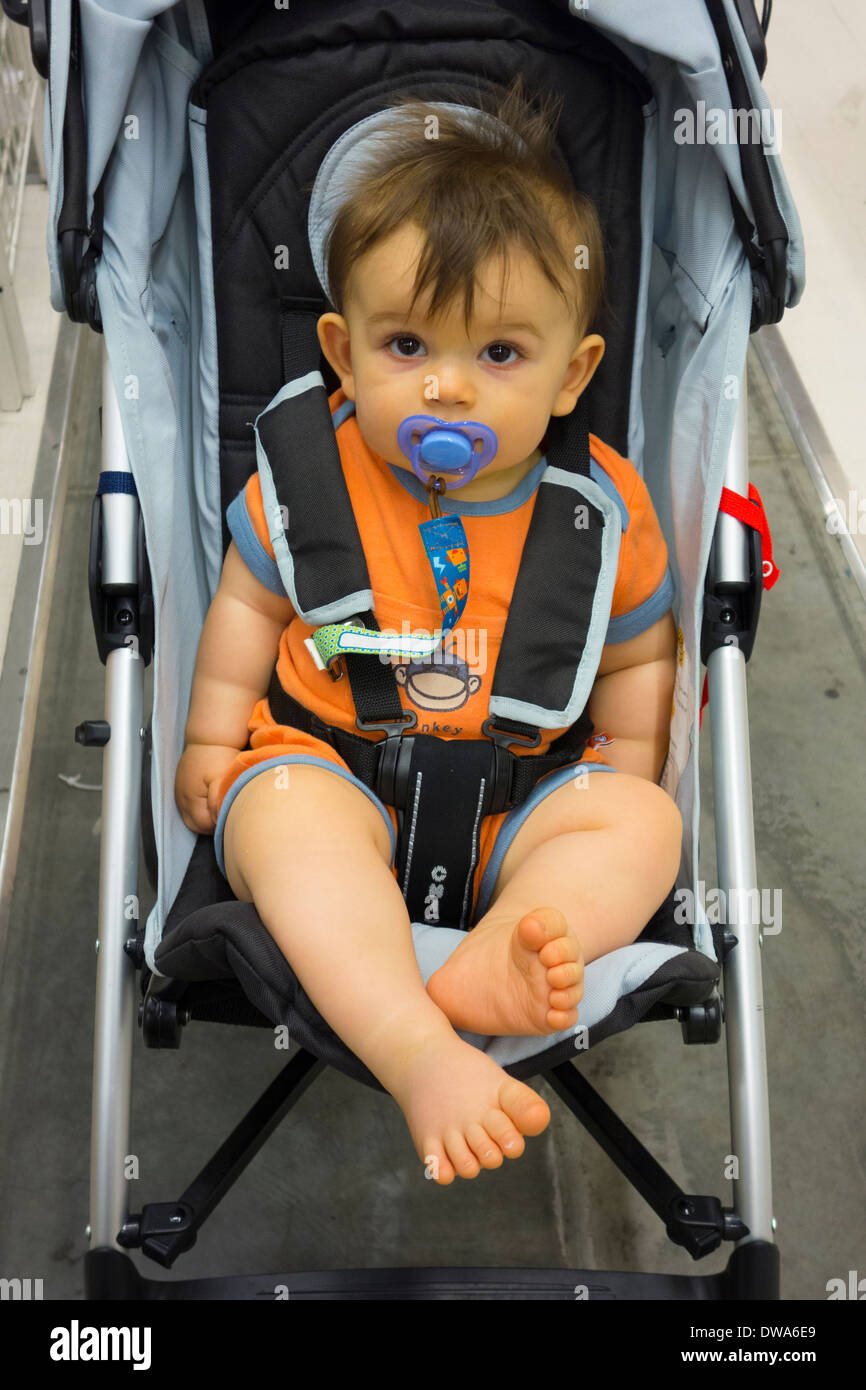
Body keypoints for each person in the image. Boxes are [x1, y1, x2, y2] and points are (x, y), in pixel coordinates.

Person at [174, 78, 682, 1186]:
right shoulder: (309, 479)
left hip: (523, 801)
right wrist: (215, 741)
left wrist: (626, 773)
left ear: (571, 375)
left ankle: (512, 946)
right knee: (283, 825)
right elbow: (249, 607)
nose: (446, 389)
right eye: (405, 345)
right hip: (332, 767)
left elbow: (639, 649)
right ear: (341, 354)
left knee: (640, 826)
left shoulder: (595, 508)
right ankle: (415, 1047)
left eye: (499, 355)